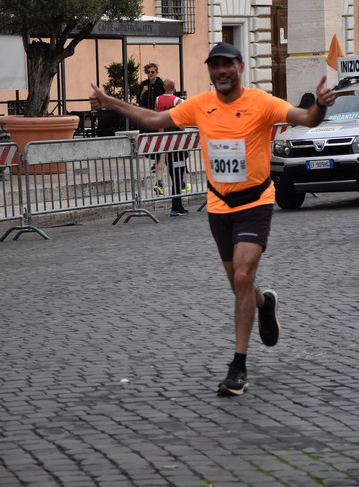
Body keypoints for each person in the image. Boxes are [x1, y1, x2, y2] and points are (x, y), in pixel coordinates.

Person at [90, 42, 335, 396]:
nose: (220, 70)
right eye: (214, 65)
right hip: (219, 205)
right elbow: (154, 119)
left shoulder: (261, 103)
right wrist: (112, 102)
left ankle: (238, 365)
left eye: (226, 64)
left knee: (241, 274)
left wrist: (320, 108)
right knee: (240, 285)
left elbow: (305, 118)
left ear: (240, 66)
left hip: (256, 201)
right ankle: (264, 304)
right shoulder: (200, 106)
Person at [155, 78, 188, 216]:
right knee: (178, 173)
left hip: (163, 137)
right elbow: (182, 121)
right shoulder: (178, 101)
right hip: (176, 140)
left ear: (163, 87)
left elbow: (156, 116)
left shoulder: (158, 99)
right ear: (174, 87)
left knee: (167, 167)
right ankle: (176, 206)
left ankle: (161, 184)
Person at [138, 63, 165, 178]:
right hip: (147, 116)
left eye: (152, 72)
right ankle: (158, 160)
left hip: (158, 116)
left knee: (158, 139)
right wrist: (143, 92)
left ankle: (158, 162)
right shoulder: (144, 84)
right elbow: (139, 99)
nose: (150, 74)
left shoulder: (161, 84)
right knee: (148, 139)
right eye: (148, 72)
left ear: (156, 72)